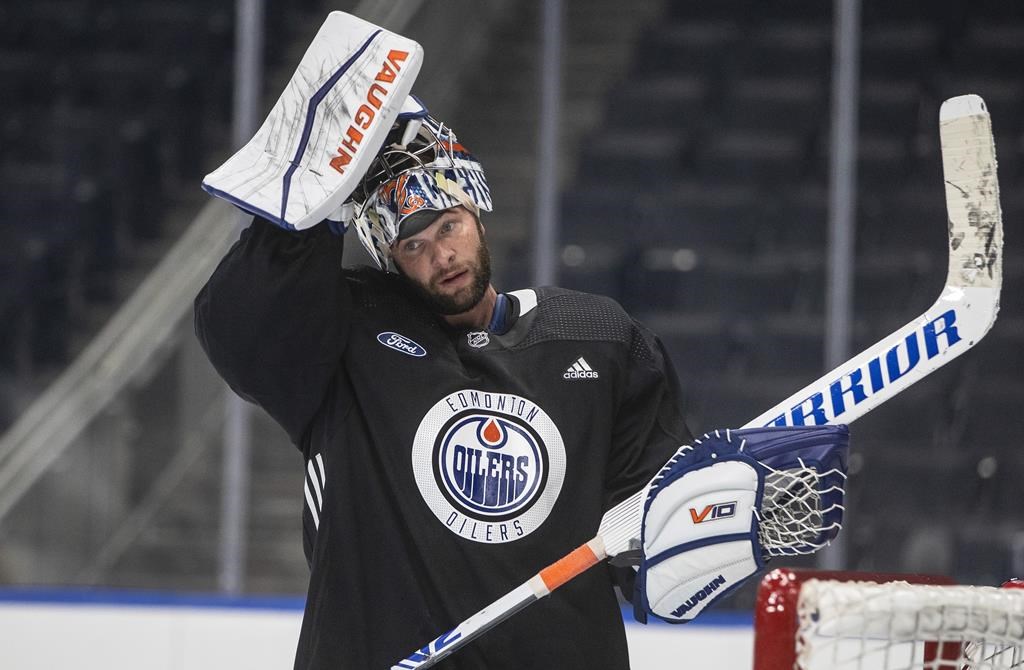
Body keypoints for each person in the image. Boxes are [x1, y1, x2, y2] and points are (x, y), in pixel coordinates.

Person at [195, 101, 693, 669]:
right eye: (413, 246)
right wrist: (310, 206)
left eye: (448, 226)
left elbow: (651, 534)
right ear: (390, 259)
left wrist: (699, 539)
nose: (442, 254)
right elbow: (239, 330)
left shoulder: (600, 338)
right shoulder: (346, 332)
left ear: (476, 212)